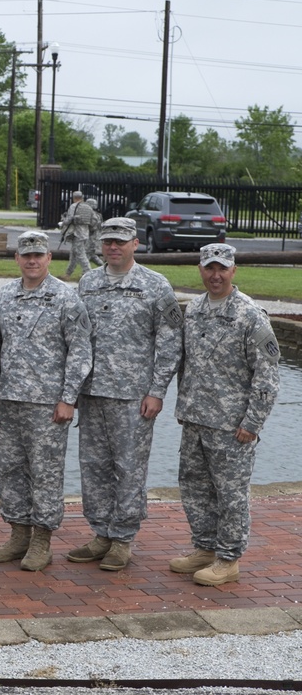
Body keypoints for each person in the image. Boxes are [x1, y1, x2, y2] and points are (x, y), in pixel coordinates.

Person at [67, 217, 183, 571]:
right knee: (94, 467)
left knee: (129, 469)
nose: (113, 247)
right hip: (92, 393)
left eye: (120, 242)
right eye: (107, 242)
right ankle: (101, 533)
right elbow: (75, 338)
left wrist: (157, 391)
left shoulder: (155, 285)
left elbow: (170, 342)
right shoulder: (88, 282)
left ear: (136, 243)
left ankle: (123, 539)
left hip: (134, 396)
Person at [169, 244, 280, 586]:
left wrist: (252, 423)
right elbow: (185, 363)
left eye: (222, 268)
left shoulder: (250, 315)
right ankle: (205, 548)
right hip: (195, 418)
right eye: (209, 268)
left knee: (230, 494)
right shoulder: (195, 309)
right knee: (195, 487)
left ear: (234, 271)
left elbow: (267, 377)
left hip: (232, 426)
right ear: (200, 269)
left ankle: (228, 558)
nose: (215, 275)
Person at [0, 231, 92, 571]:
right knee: (11, 469)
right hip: (11, 400)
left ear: (49, 259)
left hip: (48, 404)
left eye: (38, 255)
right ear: (17, 259)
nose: (32, 261)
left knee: (45, 473)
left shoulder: (65, 298)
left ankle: (42, 541)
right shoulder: (5, 295)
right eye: (25, 255)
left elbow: (80, 351)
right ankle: (18, 534)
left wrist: (68, 398)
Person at [61, 191, 94, 280]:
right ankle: (68, 273)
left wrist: (63, 222)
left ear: (74, 198)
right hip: (85, 233)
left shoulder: (74, 206)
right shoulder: (88, 207)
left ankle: (88, 273)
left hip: (77, 233)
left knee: (80, 253)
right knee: (74, 253)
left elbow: (69, 219)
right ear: (82, 197)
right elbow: (93, 220)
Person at [84, 198, 104, 267]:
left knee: (87, 255)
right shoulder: (97, 214)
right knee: (92, 255)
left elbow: (93, 226)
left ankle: (86, 271)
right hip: (94, 237)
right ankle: (103, 266)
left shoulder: (93, 215)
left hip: (92, 238)